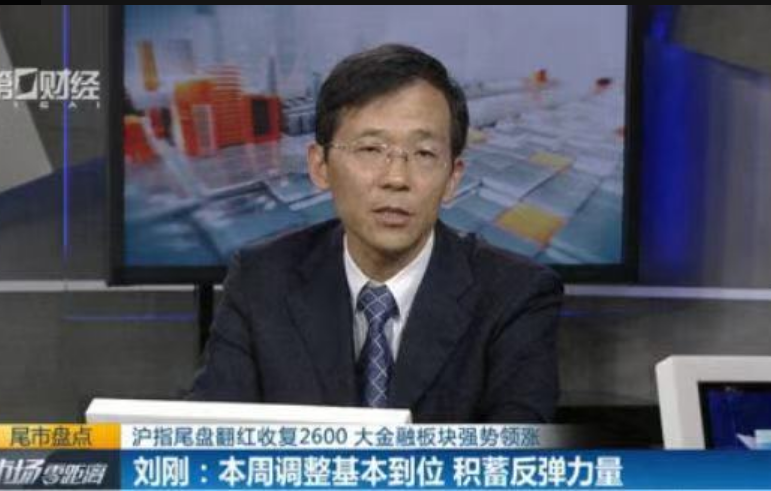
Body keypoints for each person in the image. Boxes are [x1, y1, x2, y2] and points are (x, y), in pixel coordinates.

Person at [188, 44, 563, 422]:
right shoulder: (260, 281)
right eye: (370, 149)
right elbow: (211, 441)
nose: (396, 178)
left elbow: (514, 452)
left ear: (453, 178)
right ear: (320, 166)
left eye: (424, 153)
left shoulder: (516, 296)